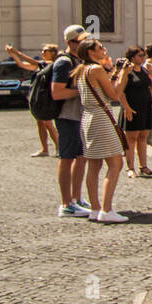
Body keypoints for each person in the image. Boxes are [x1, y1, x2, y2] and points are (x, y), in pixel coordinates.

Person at [73, 37, 133, 222]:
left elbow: (104, 87)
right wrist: (124, 74)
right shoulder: (97, 69)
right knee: (116, 164)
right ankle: (106, 210)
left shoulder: (82, 70)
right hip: (101, 118)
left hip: (88, 118)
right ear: (91, 52)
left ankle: (95, 208)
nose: (103, 49)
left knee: (94, 165)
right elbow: (114, 94)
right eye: (100, 47)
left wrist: (116, 72)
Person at [50, 25, 92, 218]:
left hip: (79, 115)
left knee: (81, 157)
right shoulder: (63, 63)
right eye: (79, 41)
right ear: (69, 42)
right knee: (66, 157)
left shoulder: (79, 60)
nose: (83, 43)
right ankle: (66, 203)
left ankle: (76, 198)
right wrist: (82, 91)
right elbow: (57, 92)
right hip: (67, 116)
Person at [5, 42, 61, 156]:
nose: (42, 52)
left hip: (47, 97)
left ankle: (59, 147)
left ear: (53, 53)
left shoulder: (50, 64)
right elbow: (22, 64)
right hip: (39, 97)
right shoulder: (41, 65)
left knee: (48, 124)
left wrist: (16, 52)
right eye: (42, 50)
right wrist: (13, 54)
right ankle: (44, 149)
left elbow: (32, 62)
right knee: (40, 122)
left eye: (45, 51)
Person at [117, 46, 152, 177]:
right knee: (131, 138)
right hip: (132, 107)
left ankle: (143, 165)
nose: (143, 58)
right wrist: (126, 107)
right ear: (132, 57)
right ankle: (130, 167)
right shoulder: (127, 71)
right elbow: (120, 91)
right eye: (140, 55)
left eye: (143, 55)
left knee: (143, 137)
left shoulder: (144, 70)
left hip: (145, 107)